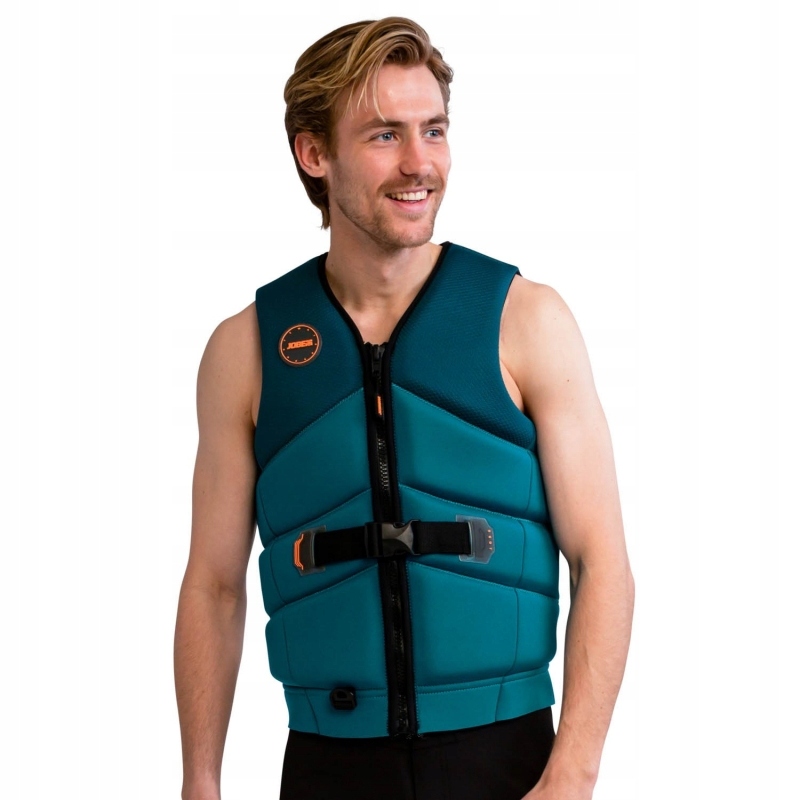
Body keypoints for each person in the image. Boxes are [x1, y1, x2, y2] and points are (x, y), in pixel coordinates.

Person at [174, 17, 634, 800]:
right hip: (327, 766)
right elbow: (213, 586)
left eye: (434, 130)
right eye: (385, 135)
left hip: (507, 762)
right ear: (314, 153)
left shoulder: (527, 320)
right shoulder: (245, 350)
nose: (420, 163)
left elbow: (604, 563)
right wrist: (200, 781)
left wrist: (572, 775)